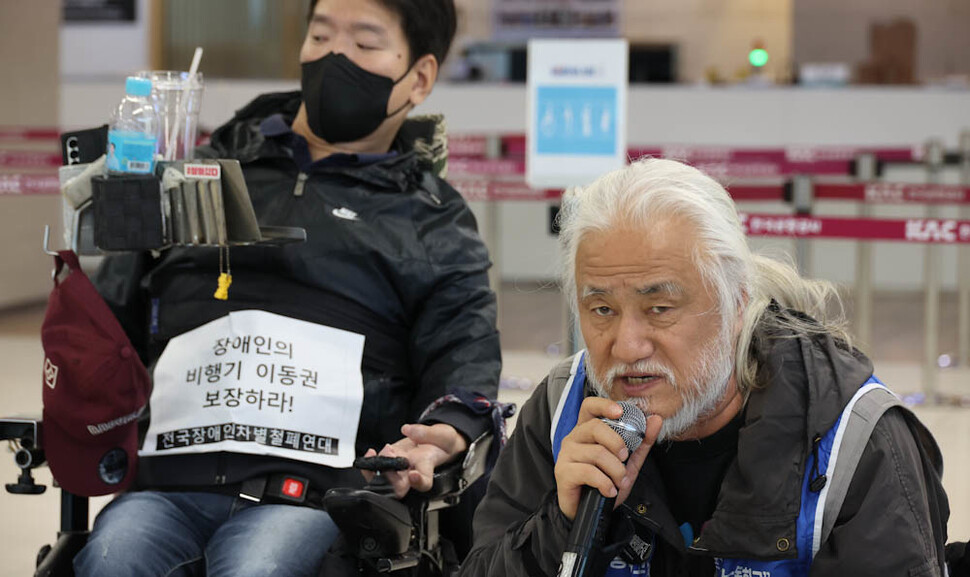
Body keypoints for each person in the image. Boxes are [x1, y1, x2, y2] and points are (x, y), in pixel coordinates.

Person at [75, 1, 501, 575]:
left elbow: (464, 354)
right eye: (320, 35)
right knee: (110, 557)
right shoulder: (195, 174)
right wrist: (98, 233)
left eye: (365, 42)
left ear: (419, 76)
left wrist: (445, 432)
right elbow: (103, 330)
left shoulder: (431, 220)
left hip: (316, 492)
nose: (334, 56)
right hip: (175, 477)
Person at [461, 158, 949, 577]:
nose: (627, 347)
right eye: (602, 310)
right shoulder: (560, 411)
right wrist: (561, 523)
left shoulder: (851, 440)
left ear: (736, 303)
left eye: (660, 308)